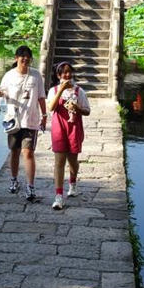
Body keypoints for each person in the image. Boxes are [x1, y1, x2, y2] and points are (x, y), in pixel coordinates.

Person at [0, 45, 47, 202]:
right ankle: (14, 180)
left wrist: (44, 115)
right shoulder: (9, 76)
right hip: (13, 120)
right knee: (14, 151)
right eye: (22, 56)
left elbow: (41, 97)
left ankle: (30, 186)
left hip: (31, 120)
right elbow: (1, 92)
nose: (25, 58)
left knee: (28, 152)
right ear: (16, 58)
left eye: (28, 56)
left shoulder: (36, 76)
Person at [46, 61, 91, 210]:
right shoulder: (53, 90)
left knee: (73, 160)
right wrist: (61, 90)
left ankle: (73, 183)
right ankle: (59, 196)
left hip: (74, 128)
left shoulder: (79, 91)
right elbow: (51, 107)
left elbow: (87, 111)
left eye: (69, 72)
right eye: (64, 72)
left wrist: (77, 108)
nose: (68, 75)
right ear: (58, 75)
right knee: (59, 162)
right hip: (59, 128)